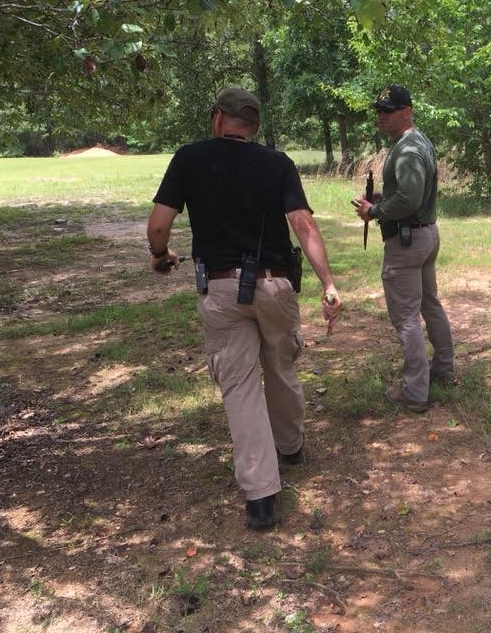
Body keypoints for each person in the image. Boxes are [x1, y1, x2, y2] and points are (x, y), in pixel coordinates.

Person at [146, 88, 343, 530]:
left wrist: (160, 254)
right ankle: (290, 447)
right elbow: (303, 224)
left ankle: (260, 498)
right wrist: (328, 283)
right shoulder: (278, 163)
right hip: (274, 284)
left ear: (218, 118)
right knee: (280, 365)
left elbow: (159, 225)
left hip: (219, 289)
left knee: (239, 386)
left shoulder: (189, 159)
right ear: (253, 126)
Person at [353, 85, 455, 413]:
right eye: (379, 110)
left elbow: (410, 199)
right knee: (430, 305)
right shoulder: (417, 141)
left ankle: (415, 393)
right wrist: (385, 198)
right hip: (425, 234)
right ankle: (444, 369)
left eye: (388, 110)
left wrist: (374, 210)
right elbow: (412, 193)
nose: (381, 116)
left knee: (407, 318)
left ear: (407, 112)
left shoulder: (408, 148)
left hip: (407, 240)